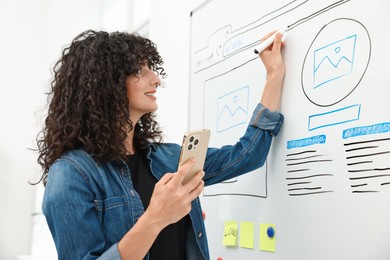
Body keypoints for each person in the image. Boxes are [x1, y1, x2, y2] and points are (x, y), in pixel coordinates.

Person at [35, 29, 285, 260]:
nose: (156, 79)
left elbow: (247, 157)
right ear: (106, 84)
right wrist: (156, 218)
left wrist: (274, 75)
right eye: (140, 70)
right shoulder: (70, 174)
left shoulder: (168, 158)